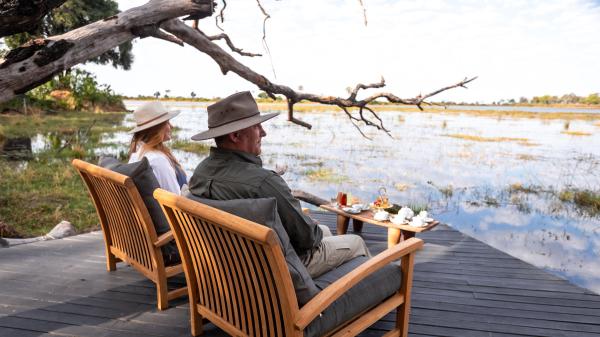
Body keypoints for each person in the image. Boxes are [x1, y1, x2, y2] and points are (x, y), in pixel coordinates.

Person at [188, 91, 370, 278]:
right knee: (355, 242)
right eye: (257, 127)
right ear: (235, 136)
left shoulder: (201, 172)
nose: (264, 133)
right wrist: (308, 225)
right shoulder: (263, 182)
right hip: (276, 272)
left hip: (232, 266)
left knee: (324, 231)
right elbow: (306, 239)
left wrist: (309, 227)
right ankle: (335, 299)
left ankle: (326, 286)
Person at [128, 101, 187, 195]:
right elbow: (174, 197)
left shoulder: (136, 154)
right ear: (157, 129)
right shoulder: (158, 160)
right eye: (167, 122)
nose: (172, 126)